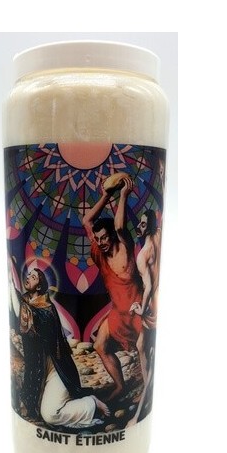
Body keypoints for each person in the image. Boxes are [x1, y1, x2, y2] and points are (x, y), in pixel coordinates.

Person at [9, 260, 109, 428]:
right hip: (41, 370)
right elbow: (19, 307)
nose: (28, 278)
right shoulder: (28, 302)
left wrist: (12, 283)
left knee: (50, 415)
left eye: (33, 277)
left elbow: (22, 312)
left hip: (57, 370)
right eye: (28, 275)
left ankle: (91, 404)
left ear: (39, 286)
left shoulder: (46, 309)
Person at [82, 175, 151, 411]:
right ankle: (119, 386)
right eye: (97, 238)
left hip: (136, 309)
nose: (100, 242)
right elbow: (87, 220)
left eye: (104, 237)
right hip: (117, 313)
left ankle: (145, 394)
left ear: (112, 235)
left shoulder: (124, 248)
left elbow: (120, 227)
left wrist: (123, 196)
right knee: (100, 346)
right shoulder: (98, 251)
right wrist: (105, 195)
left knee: (145, 350)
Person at [128, 207, 161, 424]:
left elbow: (147, 286)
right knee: (142, 346)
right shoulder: (157, 237)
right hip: (155, 306)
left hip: (150, 309)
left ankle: (138, 413)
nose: (138, 227)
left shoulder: (143, 254)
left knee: (145, 351)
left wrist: (142, 308)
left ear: (148, 227)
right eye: (139, 223)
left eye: (142, 224)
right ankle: (142, 405)